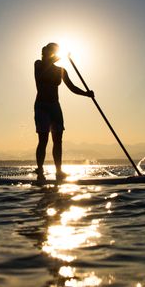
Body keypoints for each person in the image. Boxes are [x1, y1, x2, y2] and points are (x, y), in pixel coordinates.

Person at [34, 43, 94, 183]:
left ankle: (59, 171)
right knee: (43, 140)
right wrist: (60, 55)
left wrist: (87, 94)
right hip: (42, 106)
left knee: (58, 139)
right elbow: (47, 63)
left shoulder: (61, 70)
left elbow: (72, 87)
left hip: (55, 107)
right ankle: (40, 169)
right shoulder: (38, 64)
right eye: (52, 51)